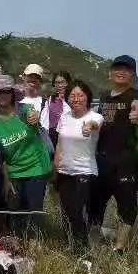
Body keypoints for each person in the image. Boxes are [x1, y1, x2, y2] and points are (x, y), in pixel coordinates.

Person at [90, 55, 138, 253]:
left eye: (127, 70)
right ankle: (94, 243)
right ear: (110, 73)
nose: (121, 72)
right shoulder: (104, 96)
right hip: (102, 158)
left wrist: (136, 112)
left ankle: (119, 247)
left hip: (125, 159)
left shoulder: (136, 94)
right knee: (95, 203)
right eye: (117, 69)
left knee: (127, 205)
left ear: (132, 74)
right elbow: (99, 120)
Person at [0, 75, 51, 232]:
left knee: (34, 211)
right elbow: (1, 156)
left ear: (12, 93)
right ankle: (19, 248)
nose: (1, 95)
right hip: (14, 172)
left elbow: (33, 116)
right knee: (16, 214)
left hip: (36, 168)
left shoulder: (24, 110)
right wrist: (7, 179)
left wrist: (34, 118)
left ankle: (37, 246)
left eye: (5, 91)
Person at [53, 81, 103, 249]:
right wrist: (55, 165)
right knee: (67, 213)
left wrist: (89, 127)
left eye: (80, 95)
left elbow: (95, 125)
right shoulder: (65, 117)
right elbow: (59, 143)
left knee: (77, 212)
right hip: (64, 171)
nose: (76, 99)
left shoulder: (94, 117)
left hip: (84, 172)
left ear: (87, 97)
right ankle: (71, 246)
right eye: (72, 96)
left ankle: (82, 250)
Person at [42, 71, 72, 148]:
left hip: (67, 134)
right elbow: (44, 120)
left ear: (68, 83)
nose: (60, 85)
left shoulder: (73, 99)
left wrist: (63, 100)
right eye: (57, 83)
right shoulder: (50, 99)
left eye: (63, 82)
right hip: (52, 136)